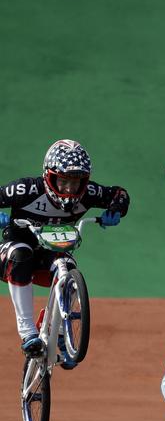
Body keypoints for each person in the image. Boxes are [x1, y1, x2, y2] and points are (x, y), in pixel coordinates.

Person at [0, 139, 129, 365]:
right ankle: (28, 331)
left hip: (51, 253)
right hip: (13, 254)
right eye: (63, 182)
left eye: (76, 183)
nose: (69, 190)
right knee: (21, 253)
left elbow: (120, 194)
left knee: (68, 268)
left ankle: (58, 331)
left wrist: (116, 210)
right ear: (49, 177)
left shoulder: (90, 192)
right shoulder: (25, 189)